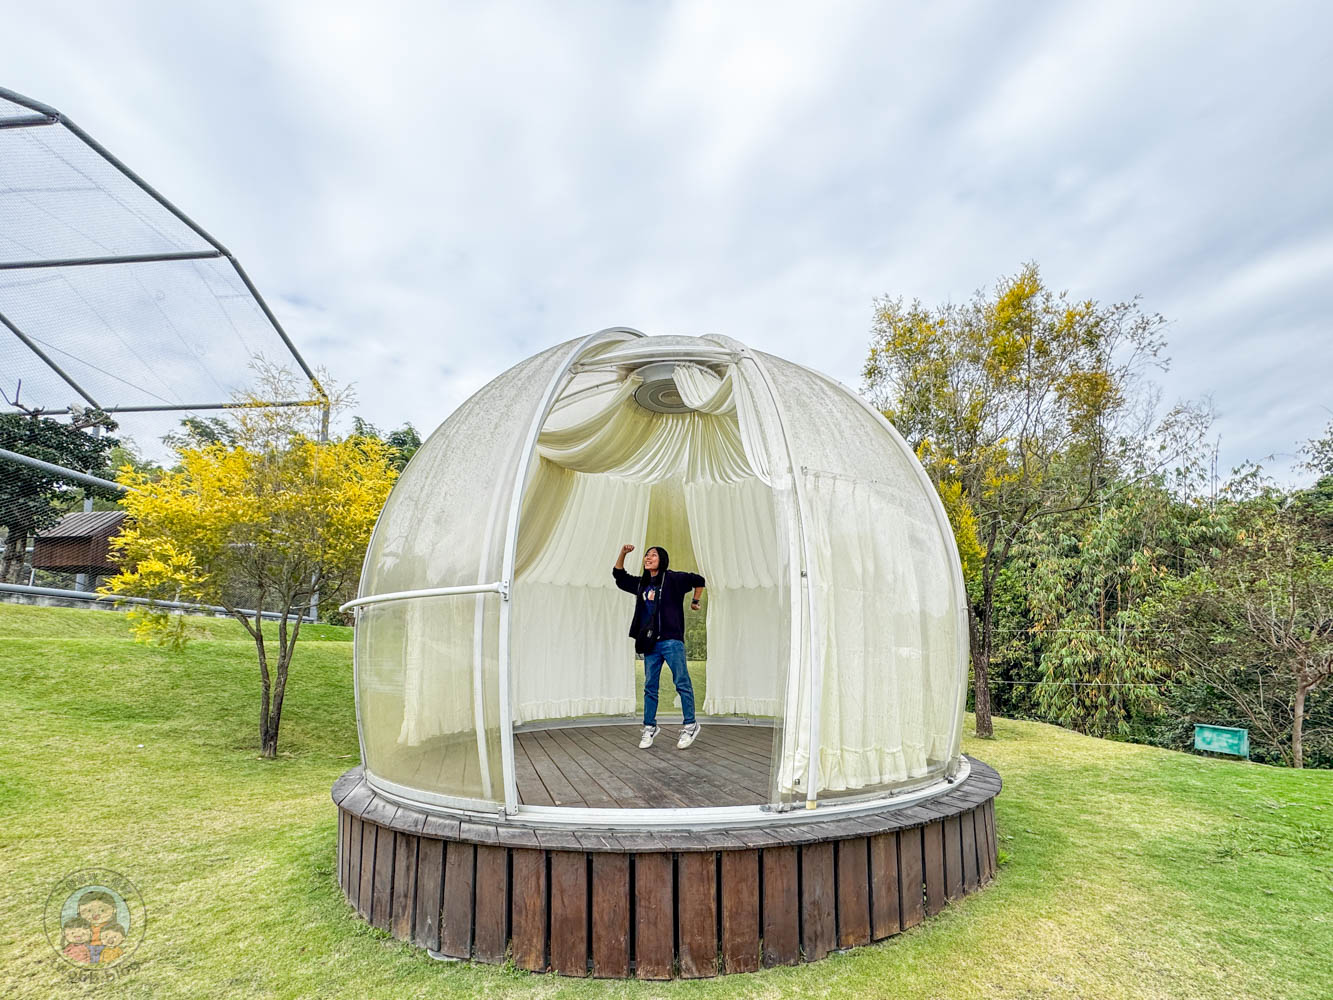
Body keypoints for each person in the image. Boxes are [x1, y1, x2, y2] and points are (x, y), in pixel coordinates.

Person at [613, 543, 705, 749]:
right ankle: (649, 727)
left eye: (653, 555)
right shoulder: (642, 584)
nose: (648, 558)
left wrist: (695, 601)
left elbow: (699, 580)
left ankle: (690, 725)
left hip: (672, 640)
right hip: (650, 643)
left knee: (682, 682)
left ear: (661, 559)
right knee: (650, 687)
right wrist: (623, 553)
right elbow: (619, 576)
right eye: (646, 555)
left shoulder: (673, 579)